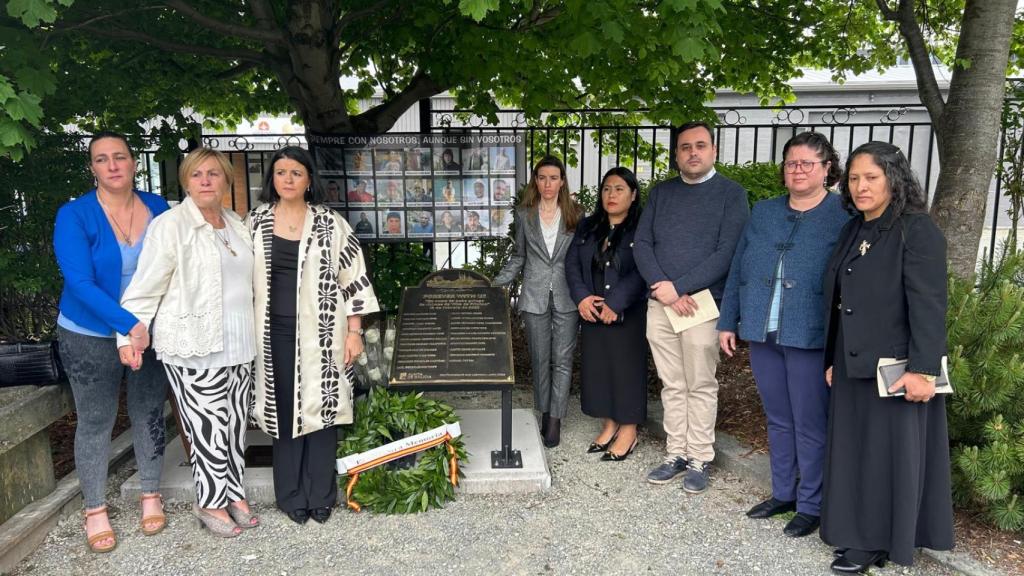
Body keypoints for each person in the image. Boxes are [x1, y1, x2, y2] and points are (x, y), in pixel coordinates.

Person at [819, 141, 953, 572]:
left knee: (885, 457)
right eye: (854, 178)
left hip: (896, 369)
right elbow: (843, 298)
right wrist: (834, 358)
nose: (860, 186)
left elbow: (929, 305)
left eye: (871, 177)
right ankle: (856, 531)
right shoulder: (855, 229)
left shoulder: (917, 229)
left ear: (893, 179)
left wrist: (922, 370)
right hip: (853, 361)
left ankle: (878, 541)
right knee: (857, 451)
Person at [117, 147, 258, 538]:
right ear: (186, 181)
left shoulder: (235, 223)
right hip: (194, 342)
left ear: (227, 179)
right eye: (197, 175)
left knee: (233, 424)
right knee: (206, 425)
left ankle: (234, 492)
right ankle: (209, 501)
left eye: (213, 173)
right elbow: (144, 288)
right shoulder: (171, 225)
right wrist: (128, 334)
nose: (206, 180)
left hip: (238, 341)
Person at [717, 132, 851, 537]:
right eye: (791, 163)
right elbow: (740, 266)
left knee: (809, 421)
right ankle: (783, 493)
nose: (797, 170)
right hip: (762, 330)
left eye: (807, 163)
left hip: (809, 334)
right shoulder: (765, 211)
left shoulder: (843, 215)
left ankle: (812, 503)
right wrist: (728, 321)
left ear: (828, 168)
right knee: (777, 418)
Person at [248, 146, 380, 526]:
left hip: (324, 333)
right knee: (282, 411)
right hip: (271, 334)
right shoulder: (254, 222)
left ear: (309, 180)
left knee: (322, 409)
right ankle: (291, 495)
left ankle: (322, 495)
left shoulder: (330, 223)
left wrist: (354, 331)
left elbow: (353, 277)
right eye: (280, 172)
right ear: (272, 178)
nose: (287, 179)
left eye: (296, 173)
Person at [54, 131, 171, 553]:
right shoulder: (75, 215)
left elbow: (172, 268)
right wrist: (129, 325)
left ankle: (151, 493)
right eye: (102, 159)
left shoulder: (158, 208)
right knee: (97, 419)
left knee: (148, 410)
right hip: (90, 334)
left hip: (149, 332)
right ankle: (95, 508)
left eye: (119, 156)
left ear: (134, 162)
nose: (113, 165)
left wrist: (147, 328)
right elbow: (80, 283)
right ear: (93, 168)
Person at [634, 121, 749, 493]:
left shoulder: (731, 194)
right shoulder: (662, 193)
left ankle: (700, 457)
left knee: (699, 382)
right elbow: (643, 243)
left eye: (700, 145)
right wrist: (664, 290)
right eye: (685, 147)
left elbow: (728, 252)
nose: (693, 152)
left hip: (703, 304)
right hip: (661, 303)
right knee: (672, 383)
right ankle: (676, 453)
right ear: (677, 154)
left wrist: (679, 287)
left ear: (713, 150)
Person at [493, 155, 582, 448]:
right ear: (536, 180)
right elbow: (519, 256)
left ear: (562, 181)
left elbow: (579, 257)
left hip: (568, 296)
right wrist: (495, 285)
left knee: (563, 360)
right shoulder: (524, 215)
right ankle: (544, 411)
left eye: (553, 178)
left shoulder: (576, 214)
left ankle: (555, 418)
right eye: (542, 177)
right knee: (540, 359)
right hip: (534, 295)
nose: (547, 184)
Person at [565, 167, 648, 461]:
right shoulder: (588, 227)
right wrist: (582, 298)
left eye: (619, 189)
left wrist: (617, 302)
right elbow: (572, 264)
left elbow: (643, 270)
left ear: (633, 194)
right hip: (593, 311)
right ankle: (609, 422)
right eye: (606, 189)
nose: (611, 195)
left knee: (626, 369)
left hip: (627, 311)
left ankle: (628, 429)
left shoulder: (642, 228)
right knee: (599, 368)